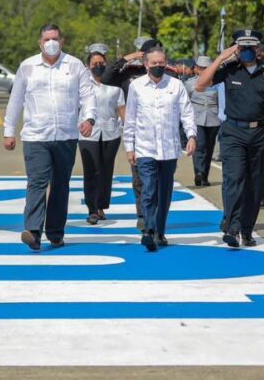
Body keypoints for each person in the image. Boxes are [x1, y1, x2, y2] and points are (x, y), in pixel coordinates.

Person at [3, 24, 96, 249]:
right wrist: (8, 130)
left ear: (62, 41)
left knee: (60, 185)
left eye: (55, 38)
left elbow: (88, 95)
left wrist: (89, 118)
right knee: (36, 182)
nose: (51, 43)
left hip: (66, 135)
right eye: (46, 39)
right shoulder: (28, 67)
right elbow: (15, 101)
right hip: (36, 136)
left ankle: (55, 233)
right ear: (40, 42)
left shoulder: (75, 66)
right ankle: (33, 232)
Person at [196, 30, 264, 248]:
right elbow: (200, 85)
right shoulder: (229, 70)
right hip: (233, 131)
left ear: (257, 49)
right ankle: (232, 227)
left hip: (259, 132)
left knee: (254, 184)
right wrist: (221, 58)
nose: (245, 52)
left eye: (249, 47)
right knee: (234, 180)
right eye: (241, 47)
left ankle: (247, 230)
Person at [124, 47, 197, 251]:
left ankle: (160, 231)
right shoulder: (136, 86)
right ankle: (148, 229)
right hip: (145, 147)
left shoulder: (176, 85)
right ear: (146, 64)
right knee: (148, 189)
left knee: (164, 192)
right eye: (154, 63)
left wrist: (191, 135)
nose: (158, 66)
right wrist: (129, 147)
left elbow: (187, 113)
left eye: (161, 62)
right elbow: (130, 119)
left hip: (169, 149)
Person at [102, 38, 158, 230]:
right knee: (139, 175)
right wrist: (127, 58)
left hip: (161, 130)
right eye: (150, 53)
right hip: (136, 129)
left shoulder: (165, 73)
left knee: (159, 177)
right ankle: (143, 214)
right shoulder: (130, 73)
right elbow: (106, 77)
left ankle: (155, 212)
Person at [79, 44, 125, 225]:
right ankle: (91, 209)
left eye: (101, 62)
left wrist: (130, 130)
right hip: (87, 134)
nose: (98, 65)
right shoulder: (82, 86)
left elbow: (122, 110)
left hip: (111, 133)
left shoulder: (115, 87)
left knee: (106, 171)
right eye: (94, 63)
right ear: (88, 66)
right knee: (91, 171)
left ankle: (101, 206)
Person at [185, 55, 221, 186]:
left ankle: (205, 175)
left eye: (206, 68)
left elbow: (220, 101)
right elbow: (185, 102)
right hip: (197, 117)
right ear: (196, 69)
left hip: (213, 117)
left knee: (209, 147)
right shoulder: (189, 83)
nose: (203, 70)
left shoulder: (217, 83)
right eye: (200, 68)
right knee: (200, 145)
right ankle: (199, 172)